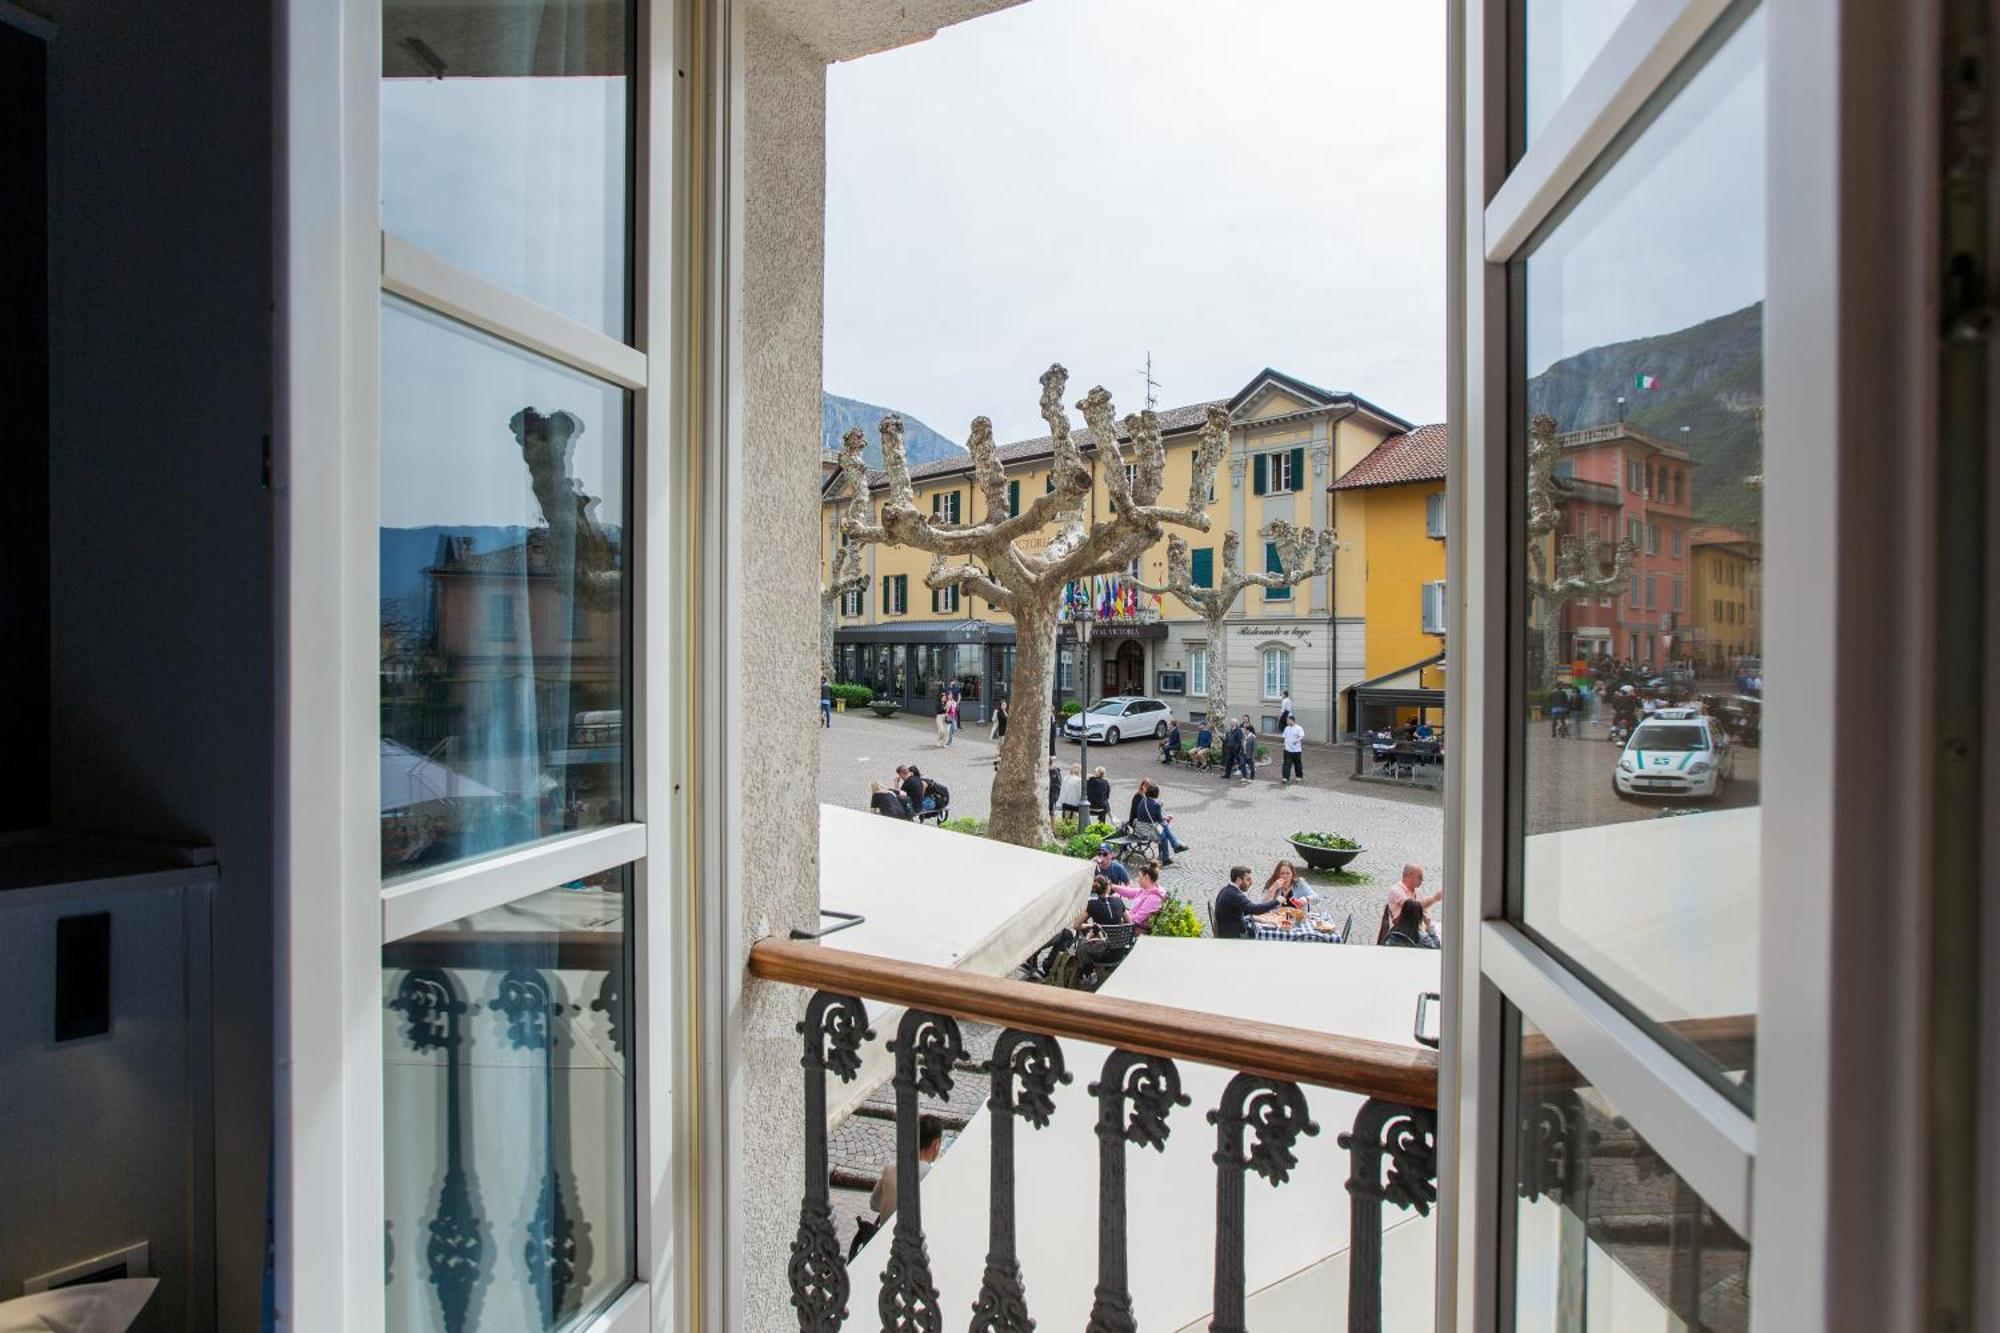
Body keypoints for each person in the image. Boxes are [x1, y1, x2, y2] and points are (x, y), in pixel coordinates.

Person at [852, 1113, 945, 1258]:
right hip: (910, 1248)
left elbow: (874, 1204)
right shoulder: (930, 1174)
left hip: (883, 1243)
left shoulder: (890, 1167)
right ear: (936, 1144)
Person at [1029, 875, 1131, 977]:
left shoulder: (1092, 904)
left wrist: (1091, 925)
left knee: (1082, 941)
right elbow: (1129, 922)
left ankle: (1084, 971)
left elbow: (1076, 926)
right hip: (1119, 952)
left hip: (1100, 952)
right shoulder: (1118, 901)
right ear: (1108, 887)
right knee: (1076, 937)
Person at [1212, 865, 1288, 940]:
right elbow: (1255, 909)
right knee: (1266, 939)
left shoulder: (1226, 890)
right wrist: (1277, 901)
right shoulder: (1235, 895)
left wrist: (1255, 917)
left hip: (1226, 931)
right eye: (1248, 880)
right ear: (1239, 880)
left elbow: (1245, 910)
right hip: (1233, 937)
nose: (1251, 883)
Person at [1378, 863, 1444, 944]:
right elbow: (1413, 909)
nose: (1422, 880)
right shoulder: (1396, 891)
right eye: (1420, 877)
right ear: (1410, 875)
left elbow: (1423, 911)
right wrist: (1435, 898)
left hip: (1417, 929)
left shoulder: (1417, 891)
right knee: (1435, 943)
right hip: (1402, 933)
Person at [1127, 779, 1187, 865]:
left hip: (1141, 827)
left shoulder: (1143, 800)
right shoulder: (1156, 804)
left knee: (1164, 831)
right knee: (1164, 834)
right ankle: (1172, 848)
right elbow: (1160, 821)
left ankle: (1171, 851)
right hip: (1146, 830)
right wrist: (1167, 818)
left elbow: (1149, 817)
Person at [1114, 861, 1167, 930]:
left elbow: (1137, 919)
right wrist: (1112, 886)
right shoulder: (1146, 890)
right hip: (1130, 923)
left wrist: (1122, 916)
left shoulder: (1154, 898)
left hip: (1137, 930)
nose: (1137, 879)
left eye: (1139, 876)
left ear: (1146, 877)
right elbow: (1129, 892)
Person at [1280, 714, 1306, 784]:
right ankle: (1285, 777)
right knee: (1286, 764)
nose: (1287, 721)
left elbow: (1302, 736)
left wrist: (1297, 741)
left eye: (1288, 720)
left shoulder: (1299, 728)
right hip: (1287, 750)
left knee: (1297, 764)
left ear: (1292, 720)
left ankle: (1299, 776)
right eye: (1287, 720)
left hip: (1296, 750)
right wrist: (1285, 745)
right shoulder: (1286, 728)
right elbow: (1284, 737)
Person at [1220, 717, 1244, 781]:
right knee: (1229, 762)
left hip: (1236, 749)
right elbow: (1227, 739)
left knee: (1240, 762)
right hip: (1229, 748)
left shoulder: (1239, 730)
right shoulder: (1230, 730)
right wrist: (1222, 739)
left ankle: (1245, 775)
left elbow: (1240, 740)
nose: (1230, 723)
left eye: (1232, 722)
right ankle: (1227, 775)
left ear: (1235, 723)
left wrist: (1237, 748)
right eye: (1230, 722)